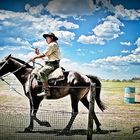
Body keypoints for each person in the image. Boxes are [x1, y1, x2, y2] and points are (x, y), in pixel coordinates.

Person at [30, 33, 61, 97]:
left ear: (51, 37)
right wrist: (38, 54)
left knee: (42, 72)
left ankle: (46, 91)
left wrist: (34, 57)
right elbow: (45, 57)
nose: (46, 40)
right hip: (51, 63)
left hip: (53, 64)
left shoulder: (52, 44)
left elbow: (44, 54)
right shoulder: (53, 45)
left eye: (47, 38)